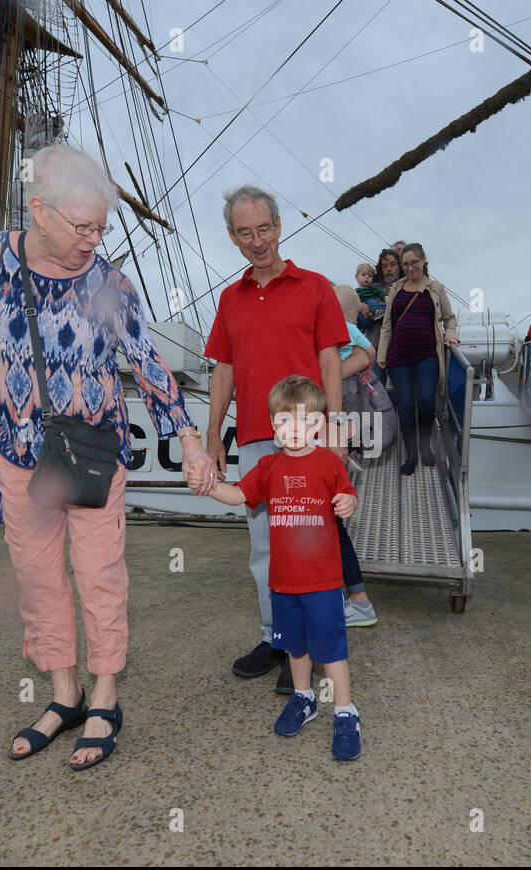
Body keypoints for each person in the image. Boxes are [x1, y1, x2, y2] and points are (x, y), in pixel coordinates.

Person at [0, 143, 209, 770]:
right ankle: (65, 695)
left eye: (101, 227)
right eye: (82, 226)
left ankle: (106, 694)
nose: (93, 239)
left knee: (100, 575)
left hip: (92, 454)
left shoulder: (109, 282)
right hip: (18, 455)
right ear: (39, 210)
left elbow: (149, 363)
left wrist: (188, 438)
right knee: (38, 578)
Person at [194, 184, 349, 695]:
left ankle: (309, 647)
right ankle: (280, 639)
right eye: (244, 232)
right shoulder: (229, 299)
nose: (257, 240)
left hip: (309, 439)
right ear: (233, 237)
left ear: (279, 227)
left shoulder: (316, 287)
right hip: (259, 440)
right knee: (265, 551)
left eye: (264, 229)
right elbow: (224, 370)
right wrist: (215, 433)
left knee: (309, 546)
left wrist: (336, 427)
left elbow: (331, 360)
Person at [203, 375, 362, 760]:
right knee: (295, 645)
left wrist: (347, 503)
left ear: (319, 426)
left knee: (332, 650)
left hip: (323, 581)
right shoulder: (269, 467)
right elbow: (238, 493)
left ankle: (345, 711)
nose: (295, 430)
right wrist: (209, 485)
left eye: (305, 421)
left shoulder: (327, 462)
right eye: (285, 421)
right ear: (274, 425)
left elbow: (348, 493)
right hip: (284, 582)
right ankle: (304, 699)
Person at [377, 242, 459, 476]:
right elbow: (386, 325)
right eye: (406, 264)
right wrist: (382, 355)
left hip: (427, 356)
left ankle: (425, 445)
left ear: (424, 261)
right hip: (398, 357)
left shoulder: (435, 288)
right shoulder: (396, 288)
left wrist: (451, 336)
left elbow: (449, 318)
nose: (411, 267)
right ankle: (411, 454)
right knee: (405, 406)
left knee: (425, 402)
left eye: (414, 262)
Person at [333, 285, 380, 627]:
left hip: (334, 418)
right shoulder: (347, 331)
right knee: (331, 522)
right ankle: (354, 599)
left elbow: (368, 353)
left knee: (331, 522)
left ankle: (358, 601)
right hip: (340, 415)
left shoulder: (342, 330)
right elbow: (370, 352)